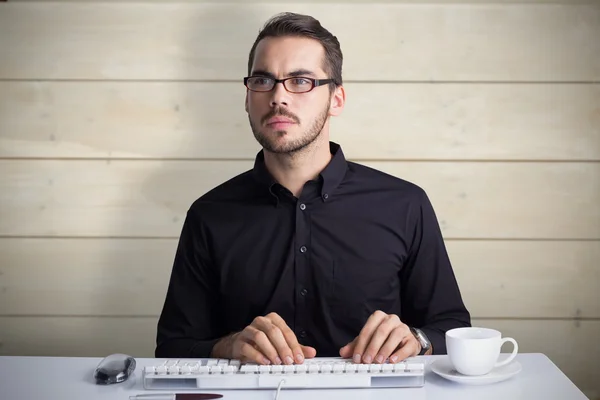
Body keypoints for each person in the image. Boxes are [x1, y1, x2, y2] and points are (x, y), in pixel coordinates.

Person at [156, 12, 471, 366]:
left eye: (301, 81)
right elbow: (173, 347)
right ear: (247, 98)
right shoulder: (209, 214)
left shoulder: (405, 204)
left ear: (336, 99)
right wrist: (228, 346)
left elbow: (451, 328)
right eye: (263, 80)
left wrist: (416, 339)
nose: (278, 97)